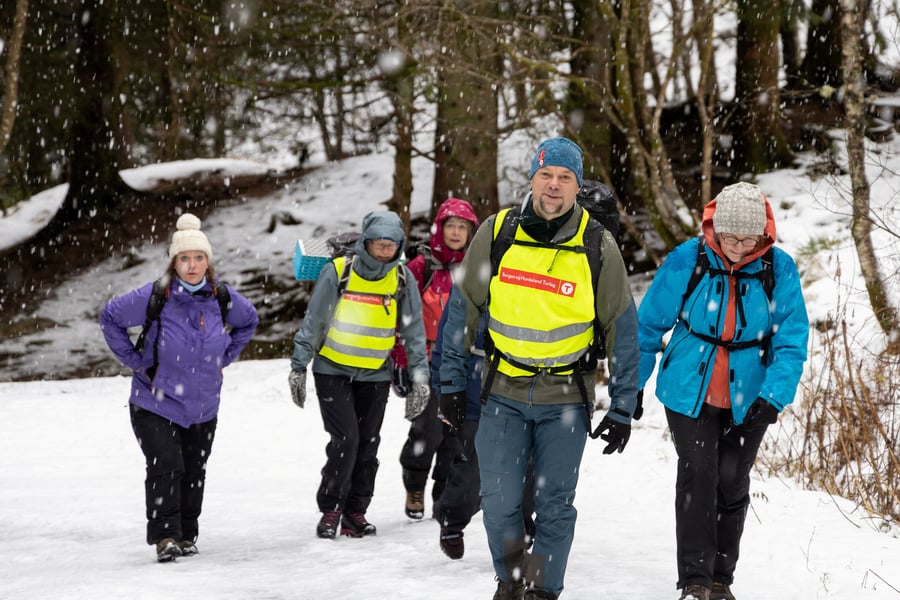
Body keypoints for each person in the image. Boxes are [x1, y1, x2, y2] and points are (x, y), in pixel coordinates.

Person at [439, 137, 641, 600]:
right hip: (502, 394)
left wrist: (623, 406)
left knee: (553, 506)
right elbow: (462, 310)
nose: (554, 186)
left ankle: (543, 590)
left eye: (565, 178)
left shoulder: (597, 244)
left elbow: (621, 329)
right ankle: (511, 581)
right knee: (499, 503)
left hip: (566, 400)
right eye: (546, 175)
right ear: (532, 179)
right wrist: (450, 382)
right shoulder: (498, 231)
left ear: (576, 186)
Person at [637, 182, 809, 600]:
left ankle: (720, 579)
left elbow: (792, 340)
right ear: (715, 229)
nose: (737, 247)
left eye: (747, 239)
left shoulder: (778, 268)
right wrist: (630, 389)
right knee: (699, 476)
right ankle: (695, 579)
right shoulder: (688, 259)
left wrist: (773, 397)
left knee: (732, 483)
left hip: (748, 396)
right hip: (687, 389)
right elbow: (647, 327)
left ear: (763, 235)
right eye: (729, 237)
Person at [100, 213, 259, 563]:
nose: (192, 265)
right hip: (154, 401)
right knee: (166, 464)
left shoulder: (220, 297)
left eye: (199, 258)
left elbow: (249, 321)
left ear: (208, 261)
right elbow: (110, 317)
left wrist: (226, 357)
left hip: (202, 405)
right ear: (174, 261)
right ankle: (166, 536)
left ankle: (187, 534)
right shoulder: (156, 295)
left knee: (193, 469)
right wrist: (136, 361)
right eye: (185, 258)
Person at [288, 210, 431, 540]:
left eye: (391, 246)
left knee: (368, 445)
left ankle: (356, 511)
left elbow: (413, 332)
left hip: (375, 376)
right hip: (331, 370)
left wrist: (419, 378)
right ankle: (331, 508)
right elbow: (315, 321)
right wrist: (299, 366)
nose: (385, 252)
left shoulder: (401, 279)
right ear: (366, 243)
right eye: (379, 245)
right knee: (346, 440)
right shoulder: (338, 271)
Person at [431, 286, 536, 561]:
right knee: (471, 470)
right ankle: (452, 523)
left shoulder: (535, 282)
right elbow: (447, 343)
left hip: (525, 396)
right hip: (475, 399)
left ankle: (520, 534)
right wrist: (444, 390)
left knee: (527, 469)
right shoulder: (471, 288)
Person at [396, 197, 479, 520]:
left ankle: (443, 493)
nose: (456, 232)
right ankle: (414, 484)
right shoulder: (421, 266)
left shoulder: (475, 269)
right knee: (427, 428)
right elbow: (401, 316)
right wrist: (402, 361)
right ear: (439, 229)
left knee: (457, 432)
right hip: (427, 357)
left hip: (464, 362)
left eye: (463, 227)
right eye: (451, 225)